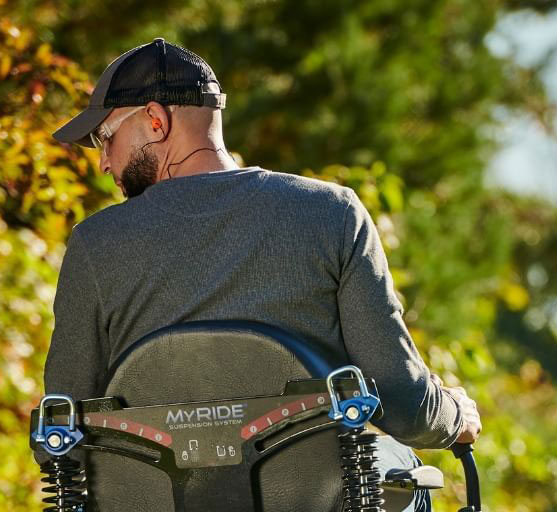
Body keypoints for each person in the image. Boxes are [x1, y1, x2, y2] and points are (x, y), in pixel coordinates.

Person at [46, 37, 481, 465]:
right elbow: (402, 401)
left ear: (156, 121)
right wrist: (455, 413)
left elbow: (58, 431)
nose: (104, 162)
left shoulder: (95, 243)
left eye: (105, 138)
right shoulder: (331, 214)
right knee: (402, 468)